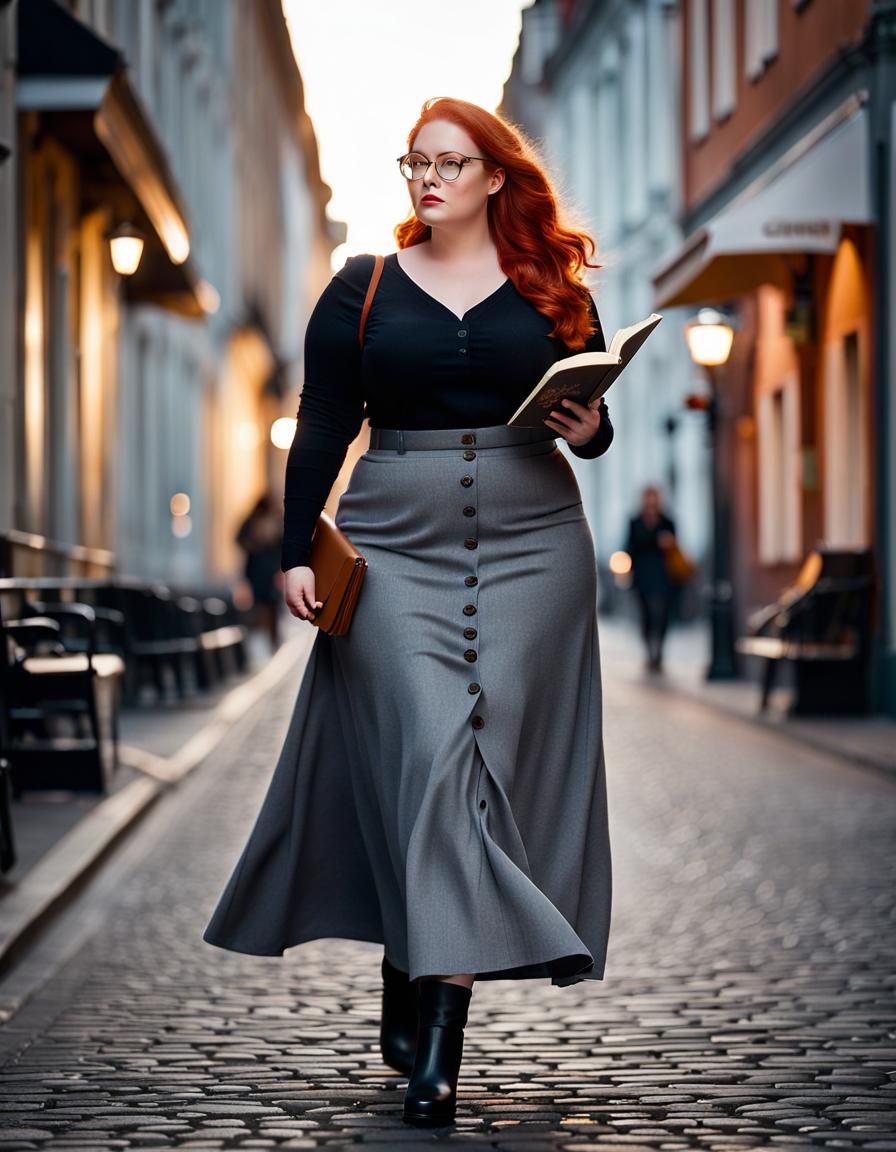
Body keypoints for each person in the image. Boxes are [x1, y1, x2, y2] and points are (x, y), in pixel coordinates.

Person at [203, 96, 615, 1128]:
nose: (427, 178)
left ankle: (419, 962)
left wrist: (592, 427)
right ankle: (436, 1047)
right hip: (391, 547)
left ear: (493, 177)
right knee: (429, 752)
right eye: (414, 163)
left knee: (485, 772)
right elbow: (323, 424)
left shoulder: (552, 288)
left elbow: (591, 426)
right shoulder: (361, 289)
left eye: (449, 162)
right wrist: (294, 551)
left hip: (534, 546)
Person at [624, 485, 677, 672]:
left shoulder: (667, 522)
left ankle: (659, 651)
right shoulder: (635, 521)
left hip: (663, 575)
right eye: (648, 497)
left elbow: (675, 546)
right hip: (642, 576)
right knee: (646, 614)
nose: (651, 501)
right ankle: (649, 652)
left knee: (662, 614)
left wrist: (669, 542)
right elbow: (628, 547)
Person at [235, 492, 283, 652]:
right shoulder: (252, 522)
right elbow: (240, 539)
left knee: (271, 604)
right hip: (258, 570)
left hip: (268, 571)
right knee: (259, 604)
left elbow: (281, 546)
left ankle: (271, 639)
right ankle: (262, 638)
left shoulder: (275, 522)